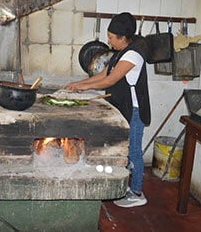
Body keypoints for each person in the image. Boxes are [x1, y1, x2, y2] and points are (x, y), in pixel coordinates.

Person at [65, 12, 152, 208]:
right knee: (126, 148)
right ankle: (126, 183)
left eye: (112, 37)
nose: (108, 40)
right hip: (123, 107)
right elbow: (103, 73)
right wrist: (77, 84)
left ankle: (137, 192)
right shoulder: (120, 53)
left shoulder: (134, 55)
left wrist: (84, 88)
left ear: (123, 38)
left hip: (135, 110)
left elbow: (111, 80)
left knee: (135, 151)